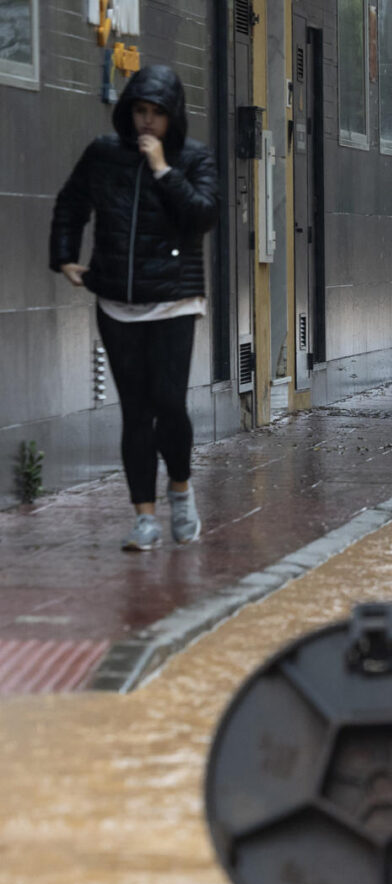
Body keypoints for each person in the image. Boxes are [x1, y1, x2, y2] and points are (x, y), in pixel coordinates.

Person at [49, 64, 219, 551]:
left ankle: (181, 492)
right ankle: (144, 517)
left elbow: (203, 215)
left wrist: (164, 169)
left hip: (174, 302)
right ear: (128, 112)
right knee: (136, 411)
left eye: (157, 114)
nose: (147, 122)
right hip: (117, 302)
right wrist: (65, 257)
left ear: (173, 117)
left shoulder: (193, 158)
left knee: (169, 403)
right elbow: (71, 202)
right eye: (140, 112)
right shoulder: (104, 155)